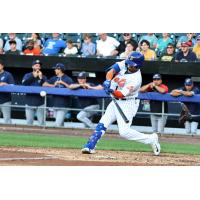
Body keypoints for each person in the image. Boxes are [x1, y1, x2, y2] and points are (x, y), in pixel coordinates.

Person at [81, 52, 161, 156]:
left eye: (131, 64)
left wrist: (111, 91)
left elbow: (121, 94)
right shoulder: (126, 63)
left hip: (127, 103)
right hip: (115, 101)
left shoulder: (136, 79)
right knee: (103, 122)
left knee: (124, 132)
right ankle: (90, 145)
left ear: (138, 66)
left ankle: (151, 139)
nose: (128, 65)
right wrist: (108, 81)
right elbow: (111, 71)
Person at [22, 60, 47, 125]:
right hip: (29, 101)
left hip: (40, 102)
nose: (38, 67)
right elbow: (24, 84)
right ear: (32, 66)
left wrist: (41, 78)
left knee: (42, 123)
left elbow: (46, 86)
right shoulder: (27, 75)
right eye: (36, 65)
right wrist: (33, 76)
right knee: (29, 123)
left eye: (39, 66)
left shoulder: (43, 77)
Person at [0, 60, 15, 124]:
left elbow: (13, 85)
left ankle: (9, 132)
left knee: (7, 119)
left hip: (5, 100)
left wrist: (5, 84)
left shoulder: (7, 74)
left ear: (2, 66)